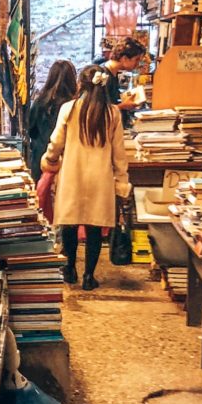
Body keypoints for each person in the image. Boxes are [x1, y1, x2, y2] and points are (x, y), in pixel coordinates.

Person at [41, 65, 131, 291]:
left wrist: (50, 160)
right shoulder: (112, 113)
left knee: (69, 225)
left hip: (73, 175)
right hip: (100, 179)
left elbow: (56, 142)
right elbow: (119, 154)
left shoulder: (69, 109)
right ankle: (89, 276)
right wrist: (121, 182)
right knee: (94, 229)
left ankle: (69, 269)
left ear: (81, 84)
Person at [26, 59, 77, 181]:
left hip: (41, 159)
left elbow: (30, 130)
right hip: (66, 161)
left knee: (42, 197)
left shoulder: (40, 102)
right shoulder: (73, 106)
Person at [95, 34, 147, 126]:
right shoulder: (102, 75)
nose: (138, 64)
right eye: (136, 59)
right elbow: (96, 110)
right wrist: (123, 106)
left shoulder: (113, 73)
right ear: (124, 58)